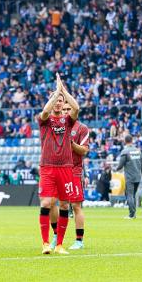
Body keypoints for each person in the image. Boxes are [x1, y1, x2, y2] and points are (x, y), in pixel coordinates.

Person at [38, 73, 79, 255]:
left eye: (61, 101)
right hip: (47, 167)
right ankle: (45, 243)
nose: (58, 103)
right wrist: (56, 93)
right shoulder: (45, 121)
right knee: (46, 203)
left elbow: (76, 108)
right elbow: (45, 111)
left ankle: (60, 244)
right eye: (55, 100)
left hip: (65, 168)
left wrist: (63, 91)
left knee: (64, 205)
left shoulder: (67, 121)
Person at [49, 103, 89, 250]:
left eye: (68, 109)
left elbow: (84, 150)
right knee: (52, 202)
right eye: (64, 109)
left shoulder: (81, 128)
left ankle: (79, 240)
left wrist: (71, 143)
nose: (65, 112)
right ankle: (55, 236)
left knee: (76, 206)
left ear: (74, 111)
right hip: (57, 169)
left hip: (73, 170)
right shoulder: (55, 126)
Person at [115, 135, 142, 219]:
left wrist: (115, 169)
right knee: (133, 195)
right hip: (138, 176)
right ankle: (133, 214)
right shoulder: (138, 151)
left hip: (130, 177)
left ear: (125, 141)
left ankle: (131, 215)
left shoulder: (125, 151)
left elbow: (120, 165)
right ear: (132, 140)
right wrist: (139, 173)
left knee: (129, 195)